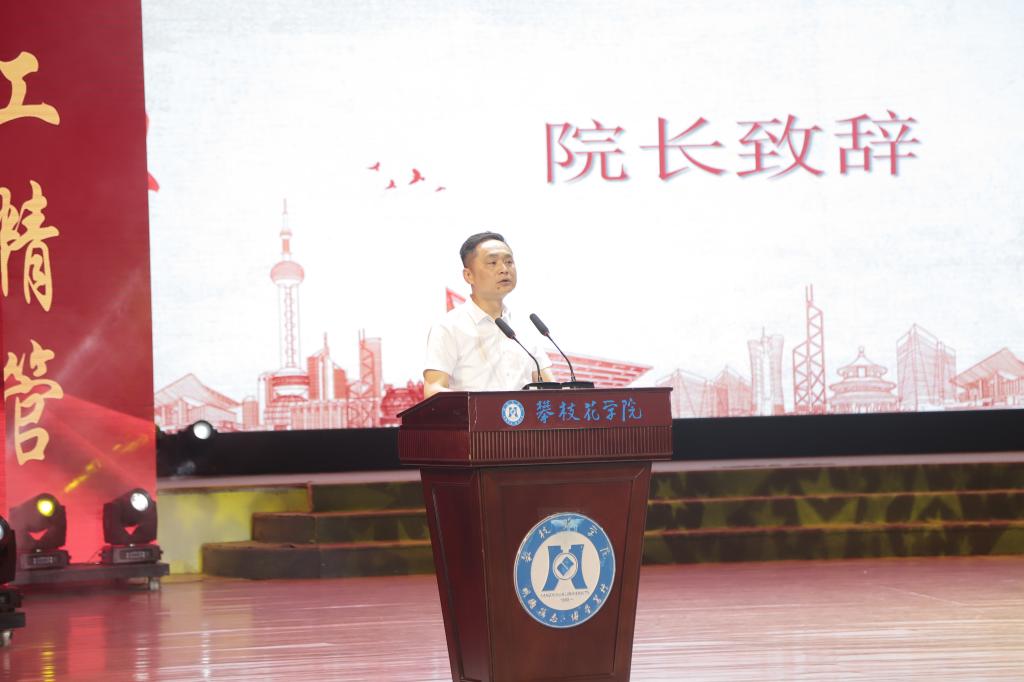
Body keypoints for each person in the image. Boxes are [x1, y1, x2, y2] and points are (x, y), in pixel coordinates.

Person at [423, 232, 554, 398]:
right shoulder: (449, 327)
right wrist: (480, 404)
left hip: (525, 415)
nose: (504, 269)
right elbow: (433, 390)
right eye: (492, 263)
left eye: (509, 262)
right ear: (469, 275)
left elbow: (550, 387)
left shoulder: (525, 326)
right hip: (474, 414)